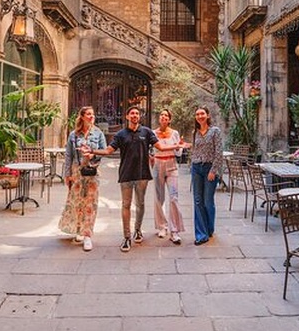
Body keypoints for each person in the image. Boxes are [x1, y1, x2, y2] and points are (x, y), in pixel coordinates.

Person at [85, 106, 185, 252]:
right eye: (132, 113)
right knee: (126, 205)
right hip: (126, 175)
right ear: (127, 116)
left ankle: (137, 229)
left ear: (139, 117)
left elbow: (161, 148)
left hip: (142, 175)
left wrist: (178, 145)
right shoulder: (120, 134)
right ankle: (126, 237)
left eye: (137, 113)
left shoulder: (147, 132)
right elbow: (108, 150)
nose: (135, 115)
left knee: (140, 204)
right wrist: (92, 151)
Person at [58, 106, 106, 252]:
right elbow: (68, 156)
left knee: (91, 203)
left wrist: (93, 155)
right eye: (89, 114)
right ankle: (79, 229)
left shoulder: (98, 133)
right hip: (77, 172)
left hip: (92, 171)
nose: (92, 116)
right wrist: (67, 175)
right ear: (83, 116)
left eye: (93, 114)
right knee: (76, 202)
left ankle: (87, 235)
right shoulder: (74, 135)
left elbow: (105, 150)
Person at [190, 106, 223, 245]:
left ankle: (209, 228)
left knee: (208, 201)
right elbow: (195, 150)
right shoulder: (195, 133)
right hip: (197, 168)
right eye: (197, 114)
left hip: (210, 168)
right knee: (198, 201)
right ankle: (201, 234)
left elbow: (219, 152)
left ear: (207, 115)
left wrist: (213, 170)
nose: (200, 116)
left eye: (202, 113)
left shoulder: (215, 131)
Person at [151, 109, 185, 245]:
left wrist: (178, 146)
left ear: (169, 120)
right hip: (158, 165)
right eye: (162, 115)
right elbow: (150, 149)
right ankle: (162, 226)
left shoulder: (175, 133)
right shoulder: (153, 133)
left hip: (171, 165)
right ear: (159, 119)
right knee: (159, 198)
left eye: (166, 115)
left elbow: (179, 153)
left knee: (174, 197)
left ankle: (175, 230)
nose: (164, 117)